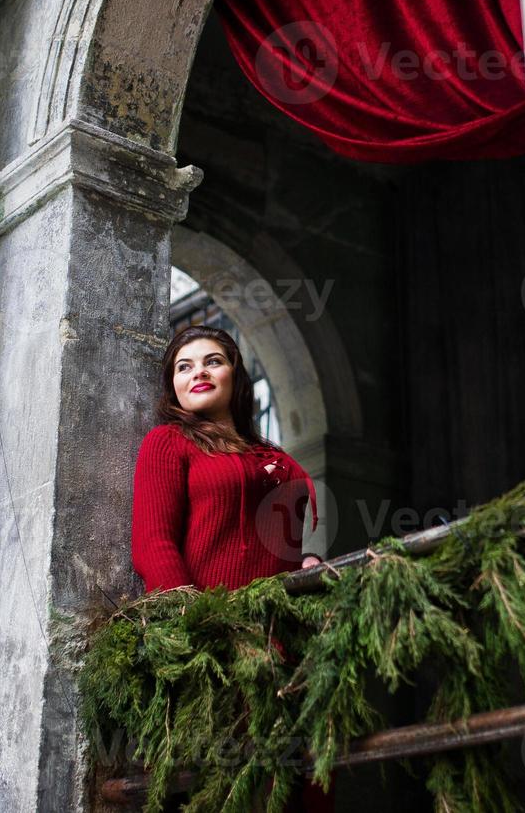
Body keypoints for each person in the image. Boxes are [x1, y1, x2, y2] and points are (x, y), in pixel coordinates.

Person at [131, 324, 333, 813]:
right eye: (184, 366)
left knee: (291, 786)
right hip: (211, 649)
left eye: (213, 361)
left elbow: (284, 548)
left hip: (281, 647)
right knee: (222, 784)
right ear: (173, 385)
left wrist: (307, 566)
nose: (198, 371)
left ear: (235, 375)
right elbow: (153, 545)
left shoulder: (279, 461)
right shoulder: (170, 443)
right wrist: (204, 632)